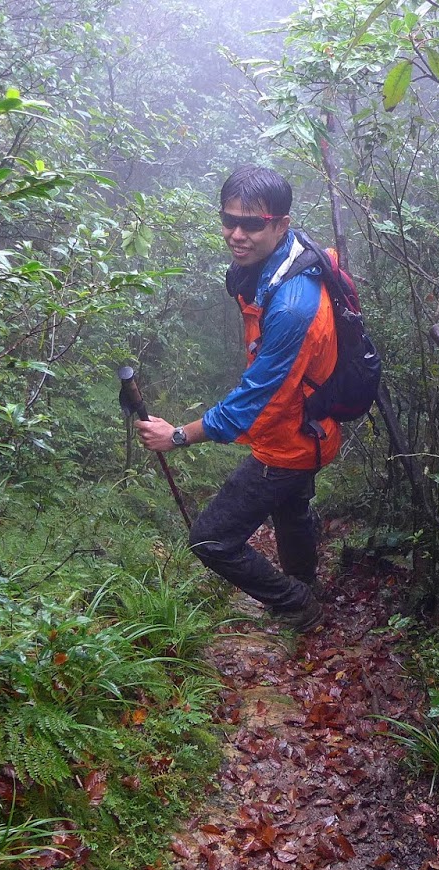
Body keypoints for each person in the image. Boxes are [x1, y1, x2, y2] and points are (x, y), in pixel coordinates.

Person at [135, 166, 340, 631]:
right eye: (229, 220)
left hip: (290, 442)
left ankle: (297, 604)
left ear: (281, 224)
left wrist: (178, 435)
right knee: (291, 511)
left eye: (251, 224)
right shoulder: (287, 259)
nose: (236, 234)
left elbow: (255, 400)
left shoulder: (293, 305)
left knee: (211, 539)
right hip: (309, 428)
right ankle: (305, 586)